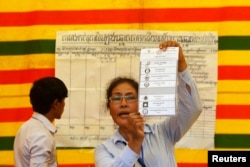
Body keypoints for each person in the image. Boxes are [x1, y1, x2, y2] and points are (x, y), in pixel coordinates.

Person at [94, 41, 202, 167]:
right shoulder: (104, 149)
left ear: (141, 103)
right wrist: (135, 141)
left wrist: (181, 65)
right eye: (117, 98)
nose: (123, 103)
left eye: (130, 97)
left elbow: (193, 108)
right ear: (109, 107)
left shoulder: (163, 132)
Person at [14, 76, 68, 167]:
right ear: (56, 104)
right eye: (63, 100)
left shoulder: (25, 127)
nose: (64, 105)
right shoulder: (42, 136)